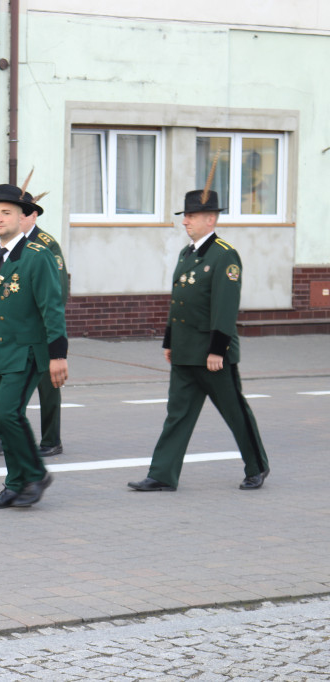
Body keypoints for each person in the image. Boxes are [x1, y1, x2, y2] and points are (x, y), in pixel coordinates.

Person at [128, 185, 270, 492]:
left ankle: (256, 467)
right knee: (177, 416)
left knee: (236, 413)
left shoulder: (224, 256)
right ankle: (162, 474)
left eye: (191, 216)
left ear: (211, 219)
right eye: (185, 216)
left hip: (212, 356)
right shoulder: (187, 254)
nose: (185, 222)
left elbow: (224, 307)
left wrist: (217, 349)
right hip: (185, 353)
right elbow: (179, 302)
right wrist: (169, 341)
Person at [0, 184, 68, 509]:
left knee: (8, 413)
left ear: (23, 217)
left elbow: (53, 307)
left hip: (27, 352)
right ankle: (15, 484)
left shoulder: (38, 256)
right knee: (5, 418)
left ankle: (35, 474)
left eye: (6, 212)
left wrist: (58, 355)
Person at [0, 183, 68, 459]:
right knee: (1, 384)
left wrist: (53, 334)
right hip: (13, 333)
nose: (21, 218)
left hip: (42, 329)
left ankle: (51, 439)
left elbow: (56, 291)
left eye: (27, 213)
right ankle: (4, 435)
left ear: (33, 216)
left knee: (48, 385)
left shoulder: (45, 245)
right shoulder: (7, 245)